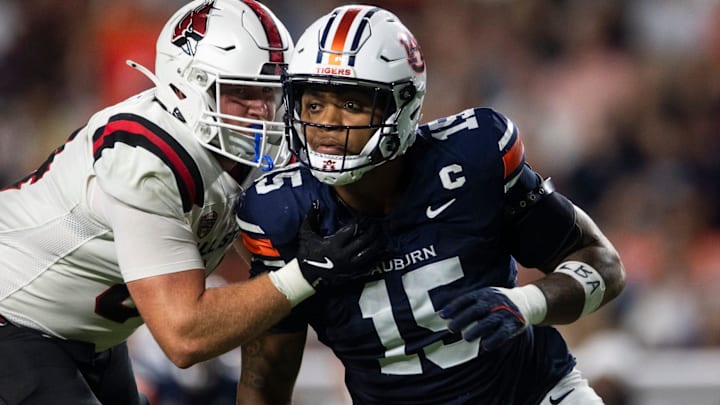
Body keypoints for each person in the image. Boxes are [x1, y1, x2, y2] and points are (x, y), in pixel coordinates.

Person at [236, 4, 626, 405]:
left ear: (401, 105)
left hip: (532, 394)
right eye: (314, 104)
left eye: (351, 104)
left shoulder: (473, 160)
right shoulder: (280, 210)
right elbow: (268, 377)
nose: (326, 123)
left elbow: (604, 265)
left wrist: (527, 303)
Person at [0, 1, 386, 404]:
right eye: (241, 91)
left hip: (88, 334)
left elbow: (272, 266)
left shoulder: (250, 152)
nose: (263, 108)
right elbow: (184, 334)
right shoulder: (145, 161)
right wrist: (306, 273)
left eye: (271, 89)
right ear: (186, 86)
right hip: (14, 314)